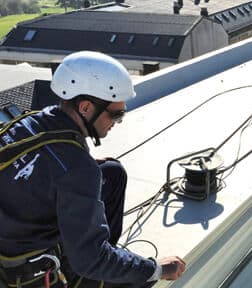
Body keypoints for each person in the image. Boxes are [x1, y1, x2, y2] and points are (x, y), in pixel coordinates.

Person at [0, 51, 186, 288]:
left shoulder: (32, 122)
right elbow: (90, 260)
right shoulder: (76, 168)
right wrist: (158, 268)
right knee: (135, 277)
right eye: (116, 114)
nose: (117, 122)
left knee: (111, 172)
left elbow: (38, 170)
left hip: (12, 234)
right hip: (31, 272)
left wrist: (83, 171)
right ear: (86, 107)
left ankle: (105, 247)